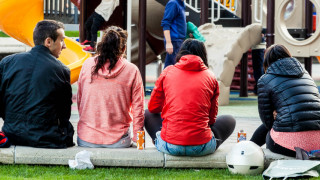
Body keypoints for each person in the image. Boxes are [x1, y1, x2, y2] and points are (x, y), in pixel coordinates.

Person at [144, 39, 236, 156]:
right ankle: (208, 141)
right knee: (230, 120)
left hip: (170, 146)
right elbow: (211, 119)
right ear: (203, 55)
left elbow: (153, 108)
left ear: (181, 53)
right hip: (202, 146)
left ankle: (160, 140)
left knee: (147, 113)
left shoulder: (168, 72)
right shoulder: (211, 77)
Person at [0, 20, 74, 148]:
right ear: (48, 42)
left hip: (11, 132)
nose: (64, 46)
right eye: (62, 40)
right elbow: (64, 113)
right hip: (44, 137)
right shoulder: (61, 70)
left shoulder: (8, 62)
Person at [77, 26, 144, 148]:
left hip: (86, 139)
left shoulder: (87, 64)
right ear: (123, 49)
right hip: (118, 142)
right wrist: (140, 143)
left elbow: (80, 100)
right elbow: (138, 109)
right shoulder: (132, 70)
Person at [250, 44, 320, 157]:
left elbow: (267, 121)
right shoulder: (306, 75)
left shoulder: (265, 79)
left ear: (267, 61)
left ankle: (247, 149)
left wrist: (279, 115)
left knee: (269, 132)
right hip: (318, 141)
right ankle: (248, 146)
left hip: (292, 146)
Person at [161, 0, 186, 68]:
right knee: (171, 67)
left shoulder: (182, 3)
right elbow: (166, 23)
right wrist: (168, 43)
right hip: (174, 40)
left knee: (175, 67)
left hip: (179, 41)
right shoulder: (173, 3)